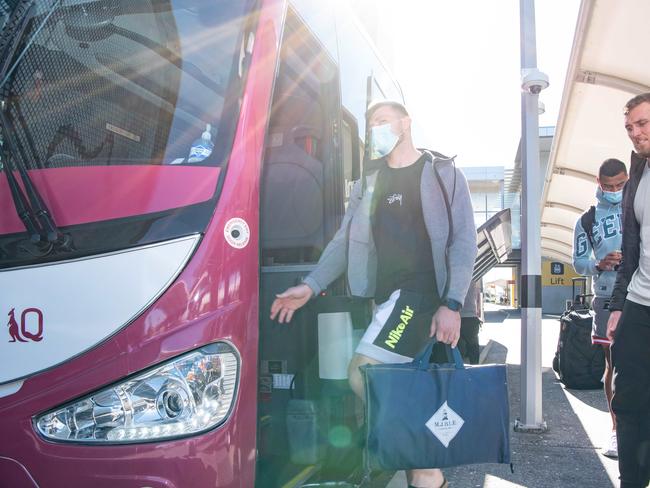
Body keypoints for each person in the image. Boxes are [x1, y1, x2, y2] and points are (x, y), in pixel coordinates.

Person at [270, 100, 477, 488]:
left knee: (362, 372)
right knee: (396, 388)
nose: (375, 130)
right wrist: (311, 285)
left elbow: (464, 242)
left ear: (406, 123)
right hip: (386, 301)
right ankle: (426, 473)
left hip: (419, 299)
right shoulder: (370, 180)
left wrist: (453, 303)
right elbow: (345, 239)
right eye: (370, 125)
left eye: (382, 121)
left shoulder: (443, 173)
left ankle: (424, 464)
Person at [606, 93, 650, 488]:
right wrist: (619, 304)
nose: (636, 134)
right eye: (630, 128)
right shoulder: (637, 175)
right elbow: (631, 246)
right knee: (629, 402)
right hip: (639, 302)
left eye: (643, 123)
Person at [572, 158, 627, 458]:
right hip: (606, 294)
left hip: (641, 292)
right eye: (609, 186)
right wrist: (599, 263)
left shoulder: (639, 205)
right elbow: (578, 262)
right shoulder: (587, 220)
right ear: (598, 183)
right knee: (614, 365)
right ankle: (617, 430)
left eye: (620, 184)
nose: (615, 191)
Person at [458, 280, 482, 365]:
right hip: (471, 318)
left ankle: (458, 368)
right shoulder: (472, 282)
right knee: (473, 346)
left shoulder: (453, 281)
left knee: (456, 346)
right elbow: (478, 300)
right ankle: (475, 368)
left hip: (457, 318)